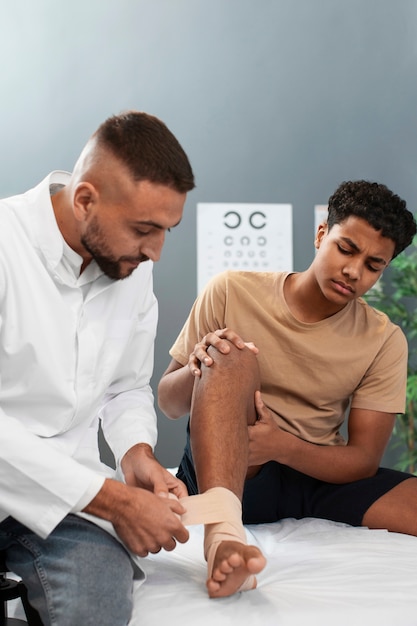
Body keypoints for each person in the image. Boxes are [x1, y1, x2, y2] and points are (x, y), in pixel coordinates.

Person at [158, 179, 417, 599]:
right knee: (231, 354)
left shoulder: (384, 340)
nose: (354, 271)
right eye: (346, 249)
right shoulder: (231, 289)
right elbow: (169, 402)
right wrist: (199, 364)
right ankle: (223, 538)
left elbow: (363, 461)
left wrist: (281, 446)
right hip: (228, 465)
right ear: (321, 234)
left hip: (310, 472)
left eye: (374, 265)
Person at [0, 110, 195, 625]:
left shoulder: (129, 265)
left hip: (70, 506)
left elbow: (126, 387)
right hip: (79, 494)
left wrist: (137, 456)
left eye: (167, 230)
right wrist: (116, 502)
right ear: (86, 198)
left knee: (99, 610)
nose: (155, 251)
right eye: (144, 229)